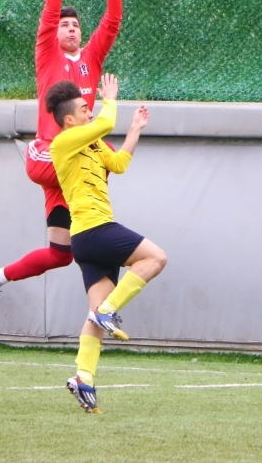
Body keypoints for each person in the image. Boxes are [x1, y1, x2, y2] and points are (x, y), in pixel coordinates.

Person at [0, 0, 123, 315]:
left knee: (62, 253)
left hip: (74, 170)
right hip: (48, 157)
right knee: (102, 163)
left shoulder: (92, 58)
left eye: (75, 25)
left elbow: (112, 21)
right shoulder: (47, 56)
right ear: (54, 33)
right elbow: (48, 12)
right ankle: (108, 284)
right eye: (64, 24)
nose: (71, 28)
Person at [46, 74, 167, 413]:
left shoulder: (95, 143)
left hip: (89, 239)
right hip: (93, 229)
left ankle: (83, 377)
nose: (90, 111)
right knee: (156, 258)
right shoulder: (63, 143)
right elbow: (105, 120)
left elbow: (119, 164)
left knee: (95, 314)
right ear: (69, 120)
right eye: (84, 109)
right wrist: (110, 98)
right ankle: (108, 312)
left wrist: (135, 130)